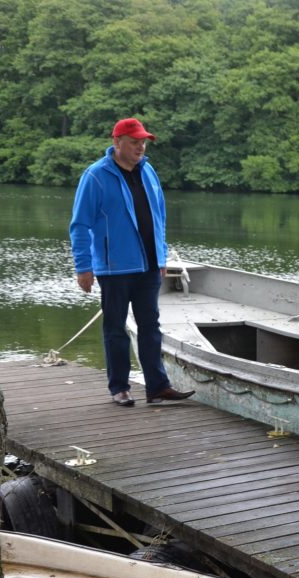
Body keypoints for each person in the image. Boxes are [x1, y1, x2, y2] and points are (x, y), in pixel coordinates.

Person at [69, 118, 194, 407]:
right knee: (115, 329)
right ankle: (120, 388)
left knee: (151, 327)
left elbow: (158, 217)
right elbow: (79, 225)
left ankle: (158, 386)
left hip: (149, 265)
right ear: (117, 143)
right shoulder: (96, 176)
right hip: (114, 268)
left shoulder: (148, 171)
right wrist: (83, 267)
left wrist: (160, 255)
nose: (141, 146)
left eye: (143, 141)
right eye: (135, 141)